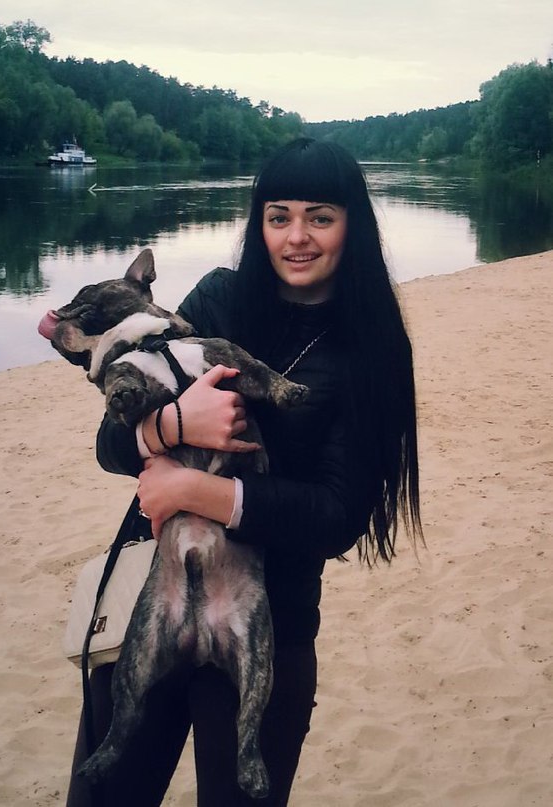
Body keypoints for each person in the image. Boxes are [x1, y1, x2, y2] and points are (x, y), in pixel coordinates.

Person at [66, 137, 422, 806]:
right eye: (278, 216)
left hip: (268, 623)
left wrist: (196, 488)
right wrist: (175, 426)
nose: (296, 237)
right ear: (259, 223)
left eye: (320, 217)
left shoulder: (369, 350)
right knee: (102, 793)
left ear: (353, 225)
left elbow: (336, 517)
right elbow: (111, 445)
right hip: (154, 597)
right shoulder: (219, 299)